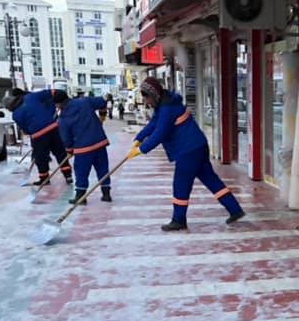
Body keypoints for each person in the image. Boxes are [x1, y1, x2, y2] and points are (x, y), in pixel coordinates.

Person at [127, 77, 245, 231]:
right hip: (197, 146)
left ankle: (179, 220)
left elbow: (161, 132)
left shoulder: (167, 108)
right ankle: (235, 209)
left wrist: (141, 150)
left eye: (146, 97)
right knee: (211, 179)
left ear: (154, 94)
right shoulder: (165, 103)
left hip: (188, 150)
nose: (145, 101)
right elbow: (154, 123)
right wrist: (139, 138)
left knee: (181, 184)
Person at [5, 88, 72, 186]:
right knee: (60, 153)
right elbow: (50, 94)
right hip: (53, 128)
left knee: (41, 158)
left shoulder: (15, 115)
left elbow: (25, 129)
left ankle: (44, 179)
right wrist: (50, 115)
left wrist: (33, 135)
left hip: (38, 136)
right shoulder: (31, 97)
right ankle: (68, 176)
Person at [56, 92, 111, 204]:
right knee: (103, 168)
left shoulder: (63, 118)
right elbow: (102, 101)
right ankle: (106, 194)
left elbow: (66, 139)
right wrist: (102, 116)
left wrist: (69, 150)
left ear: (59, 104)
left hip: (83, 149)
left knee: (81, 171)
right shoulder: (84, 101)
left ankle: (80, 196)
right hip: (99, 142)